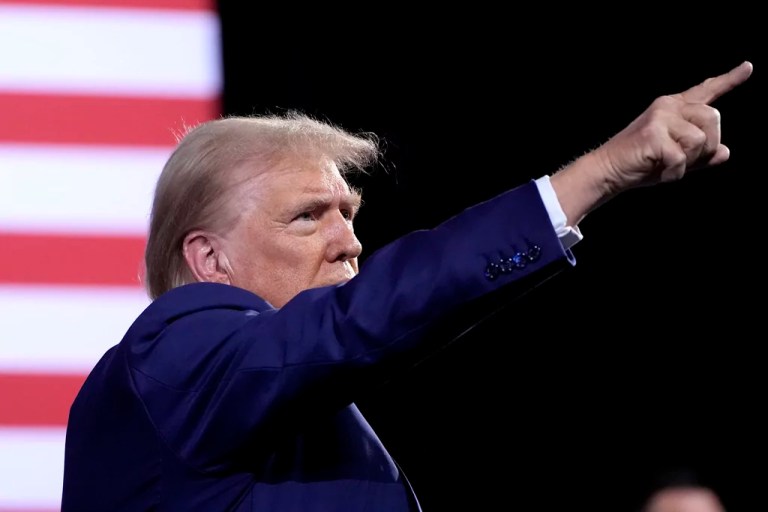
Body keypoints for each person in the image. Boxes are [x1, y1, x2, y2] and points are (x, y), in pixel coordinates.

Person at [61, 60, 753, 511]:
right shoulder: (176, 351)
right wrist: (602, 171)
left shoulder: (289, 406)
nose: (350, 240)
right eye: (308, 217)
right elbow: (364, 318)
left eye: (349, 214)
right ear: (208, 260)